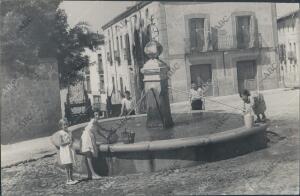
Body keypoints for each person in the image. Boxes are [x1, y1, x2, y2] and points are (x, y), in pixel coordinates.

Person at [80, 112, 102, 180]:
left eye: (98, 114)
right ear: (93, 116)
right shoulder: (94, 120)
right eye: (95, 115)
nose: (97, 116)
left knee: (89, 154)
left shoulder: (95, 123)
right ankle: (93, 174)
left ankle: (92, 174)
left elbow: (99, 131)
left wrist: (106, 136)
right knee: (88, 154)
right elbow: (100, 128)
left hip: (89, 136)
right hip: (87, 136)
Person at [57, 118, 78, 185]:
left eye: (66, 124)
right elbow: (60, 143)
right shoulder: (60, 133)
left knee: (71, 164)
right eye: (64, 125)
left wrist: (72, 141)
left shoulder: (69, 131)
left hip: (70, 149)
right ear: (61, 126)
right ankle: (68, 179)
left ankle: (72, 178)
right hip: (65, 150)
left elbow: (73, 139)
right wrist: (67, 142)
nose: (65, 126)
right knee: (67, 165)